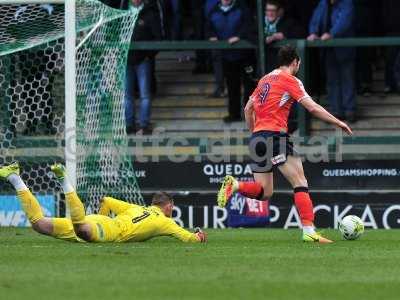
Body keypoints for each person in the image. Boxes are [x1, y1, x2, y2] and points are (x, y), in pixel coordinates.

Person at [217, 45, 353, 243]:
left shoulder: (264, 80)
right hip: (275, 137)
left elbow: (248, 109)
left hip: (257, 138)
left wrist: (255, 133)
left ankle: (235, 185)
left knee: (264, 192)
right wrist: (338, 122)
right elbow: (312, 108)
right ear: (295, 62)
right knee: (300, 182)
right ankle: (308, 231)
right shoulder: (291, 80)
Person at [0, 162, 207, 243]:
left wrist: (101, 217)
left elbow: (106, 200)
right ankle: (64, 180)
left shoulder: (136, 207)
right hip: (108, 231)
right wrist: (199, 236)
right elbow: (189, 239)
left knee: (39, 224)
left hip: (98, 220)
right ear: (168, 206)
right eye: (173, 206)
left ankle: (14, 177)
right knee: (82, 230)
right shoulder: (165, 221)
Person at [308, 0, 357, 122]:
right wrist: (313, 33)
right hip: (328, 48)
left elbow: (344, 22)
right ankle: (336, 111)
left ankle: (350, 111)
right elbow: (316, 19)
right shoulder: (323, 3)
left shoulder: (347, 3)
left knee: (347, 78)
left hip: (344, 47)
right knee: (332, 80)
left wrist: (331, 34)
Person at [206, 0, 254, 123]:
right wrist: (211, 36)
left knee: (249, 86)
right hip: (227, 56)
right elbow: (207, 28)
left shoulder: (242, 8)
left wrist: (239, 36)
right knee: (232, 86)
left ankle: (249, 115)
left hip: (245, 55)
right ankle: (234, 114)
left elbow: (249, 25)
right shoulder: (213, 11)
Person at [125, 0, 161, 135]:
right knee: (127, 95)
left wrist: (148, 55)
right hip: (126, 60)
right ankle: (129, 125)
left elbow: (158, 37)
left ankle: (144, 125)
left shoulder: (150, 13)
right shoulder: (121, 11)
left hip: (143, 61)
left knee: (145, 94)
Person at [264, 0, 304, 72]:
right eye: (268, 10)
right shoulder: (259, 22)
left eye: (273, 10)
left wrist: (282, 35)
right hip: (263, 65)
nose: (270, 13)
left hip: (281, 66)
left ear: (280, 11)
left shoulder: (288, 22)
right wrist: (264, 38)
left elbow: (301, 33)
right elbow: (249, 34)